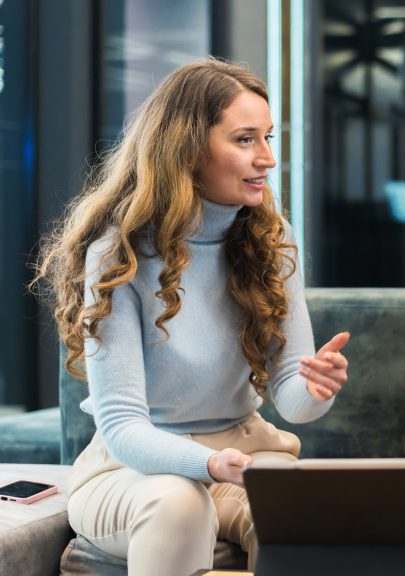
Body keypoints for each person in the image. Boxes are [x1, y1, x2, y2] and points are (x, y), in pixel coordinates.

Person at [31, 58, 350, 576]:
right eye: (245, 139)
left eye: (268, 137)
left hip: (244, 452)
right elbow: (122, 425)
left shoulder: (273, 236)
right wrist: (203, 464)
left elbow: (291, 400)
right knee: (180, 501)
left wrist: (315, 389)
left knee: (295, 507)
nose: (267, 158)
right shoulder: (120, 254)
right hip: (131, 466)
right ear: (188, 148)